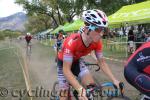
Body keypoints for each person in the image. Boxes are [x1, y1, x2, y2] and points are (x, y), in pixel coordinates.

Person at [57, 9, 120, 100]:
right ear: (87, 28)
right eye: (98, 29)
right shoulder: (72, 42)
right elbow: (66, 70)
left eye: (104, 30)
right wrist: (79, 88)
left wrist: (114, 80)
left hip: (76, 61)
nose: (102, 34)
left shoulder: (97, 43)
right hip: (63, 63)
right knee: (64, 94)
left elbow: (101, 62)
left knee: (91, 88)